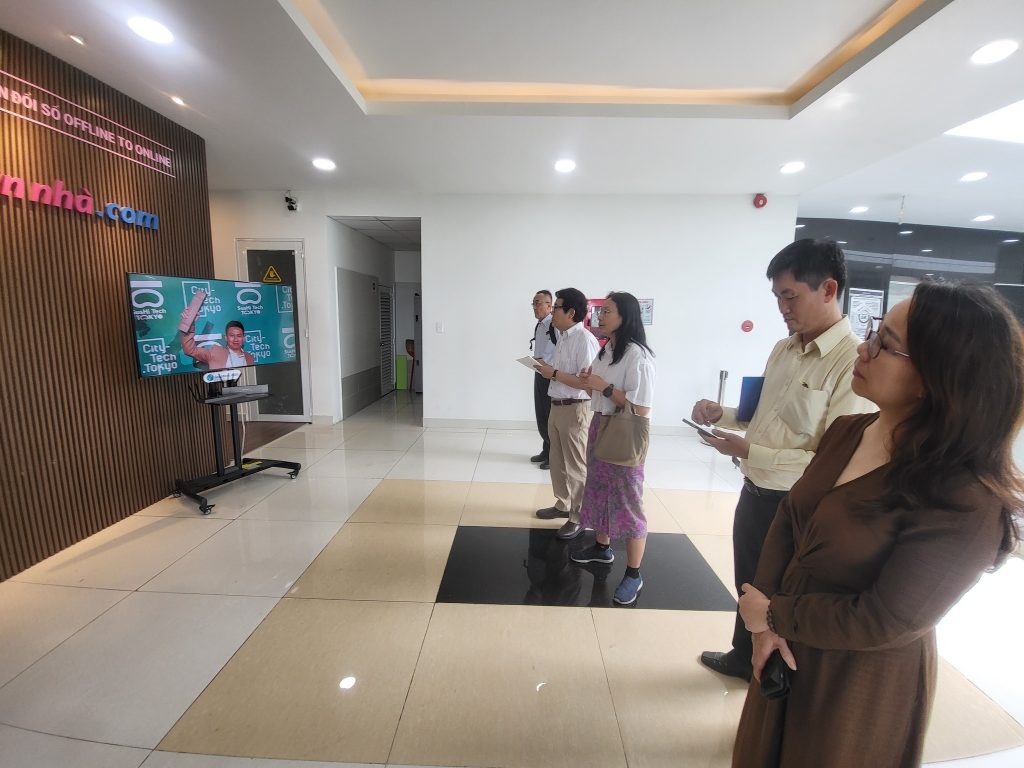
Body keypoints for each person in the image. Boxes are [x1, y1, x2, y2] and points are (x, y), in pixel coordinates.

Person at [732, 282, 1023, 768]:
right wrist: (763, 622)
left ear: (938, 377)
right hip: (783, 649)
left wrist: (774, 614)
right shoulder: (849, 431)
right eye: (873, 332)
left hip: (855, 676)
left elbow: (886, 619)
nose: (863, 348)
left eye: (886, 344)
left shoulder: (964, 498)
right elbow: (790, 516)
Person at [693, 239, 875, 681]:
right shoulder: (784, 348)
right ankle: (743, 656)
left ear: (828, 289)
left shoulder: (850, 363)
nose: (782, 308)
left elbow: (833, 458)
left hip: (798, 506)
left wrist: (748, 450)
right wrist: (724, 415)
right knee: (747, 582)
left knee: (779, 595)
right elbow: (765, 415)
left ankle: (775, 676)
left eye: (790, 296)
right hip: (754, 491)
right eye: (777, 297)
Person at [571, 292, 656, 605]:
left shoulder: (638, 356)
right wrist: (590, 381)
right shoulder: (607, 349)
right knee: (599, 490)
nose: (600, 316)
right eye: (600, 311)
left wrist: (603, 386)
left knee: (628, 500)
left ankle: (634, 573)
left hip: (624, 431)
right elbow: (596, 388)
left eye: (607, 311)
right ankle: (602, 548)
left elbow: (641, 408)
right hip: (600, 425)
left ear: (625, 316)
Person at [533, 288, 601, 537]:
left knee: (576, 465)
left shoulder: (584, 340)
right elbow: (563, 372)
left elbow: (587, 382)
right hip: (558, 404)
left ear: (571, 312)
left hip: (575, 408)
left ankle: (579, 515)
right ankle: (563, 504)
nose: (552, 312)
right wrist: (547, 368)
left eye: (556, 307)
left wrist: (553, 373)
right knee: (557, 460)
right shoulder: (563, 337)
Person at [529, 290, 557, 469]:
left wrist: (543, 363)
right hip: (539, 372)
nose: (534, 307)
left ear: (549, 305)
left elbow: (555, 352)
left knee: (549, 414)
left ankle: (553, 455)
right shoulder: (540, 325)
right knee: (541, 412)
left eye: (538, 303)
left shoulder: (554, 325)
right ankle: (546, 449)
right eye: (533, 303)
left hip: (550, 374)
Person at [181, 318, 255, 369]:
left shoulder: (249, 357)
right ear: (226, 338)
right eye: (232, 335)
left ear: (244, 338)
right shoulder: (215, 352)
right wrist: (189, 323)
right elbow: (189, 350)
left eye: (239, 336)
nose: (235, 339)